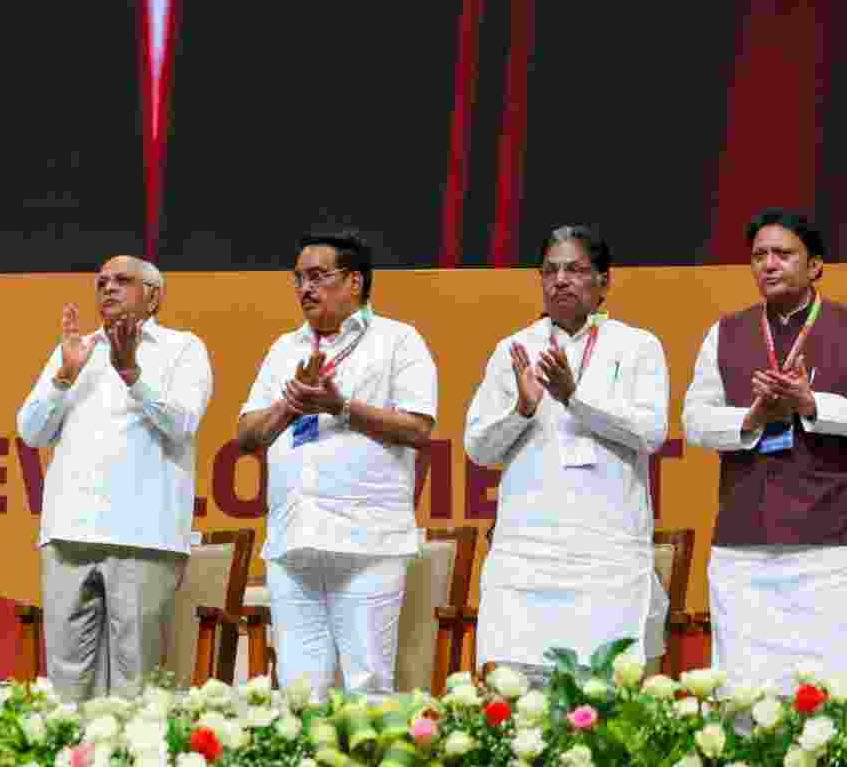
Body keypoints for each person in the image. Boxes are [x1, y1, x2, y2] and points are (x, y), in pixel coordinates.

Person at [235, 230, 438, 697]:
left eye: (318, 276)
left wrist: (340, 407)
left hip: (367, 540)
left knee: (367, 683)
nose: (305, 288)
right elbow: (247, 436)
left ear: (354, 282)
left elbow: (418, 429)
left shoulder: (398, 341)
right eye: (298, 278)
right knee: (300, 690)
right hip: (293, 541)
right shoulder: (284, 349)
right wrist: (291, 405)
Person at [464, 226, 669, 682]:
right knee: (519, 696)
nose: (560, 280)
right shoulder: (514, 350)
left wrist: (575, 397)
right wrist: (521, 409)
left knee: (601, 695)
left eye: (574, 269)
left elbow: (651, 432)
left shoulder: (637, 347)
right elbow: (478, 447)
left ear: (603, 281)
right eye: (550, 271)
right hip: (527, 554)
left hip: (606, 555)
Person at [17, 255, 212, 700]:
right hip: (68, 533)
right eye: (101, 282)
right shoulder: (77, 350)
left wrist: (132, 374)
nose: (108, 288)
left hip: (144, 536)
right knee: (66, 686)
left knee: (136, 684)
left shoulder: (183, 349)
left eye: (122, 281)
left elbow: (182, 423)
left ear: (154, 295)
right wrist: (63, 376)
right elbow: (30, 431)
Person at [683, 210, 847, 688]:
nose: (769, 265)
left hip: (830, 542)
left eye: (783, 254)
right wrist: (752, 418)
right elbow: (694, 421)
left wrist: (811, 403)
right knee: (743, 685)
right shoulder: (727, 332)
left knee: (829, 688)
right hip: (743, 542)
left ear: (815, 265)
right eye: (759, 256)